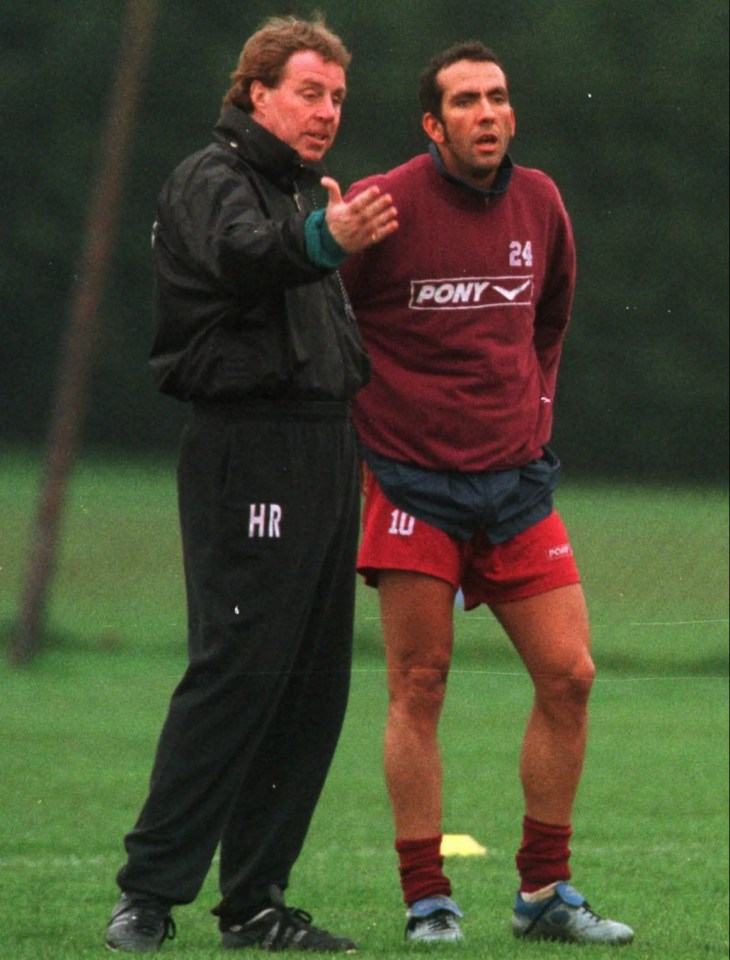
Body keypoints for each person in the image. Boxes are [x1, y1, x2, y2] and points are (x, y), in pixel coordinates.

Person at [104, 15, 398, 954]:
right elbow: (245, 257)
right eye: (309, 92)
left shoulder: (308, 192)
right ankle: (148, 895)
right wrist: (324, 238)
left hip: (324, 448)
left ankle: (258, 902)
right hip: (250, 448)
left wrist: (326, 231)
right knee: (238, 670)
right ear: (255, 92)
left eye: (338, 99)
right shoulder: (212, 179)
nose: (326, 113)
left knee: (312, 689)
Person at [339, 42, 634, 947]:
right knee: (419, 684)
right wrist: (371, 423)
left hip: (516, 484)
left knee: (571, 677)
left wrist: (536, 408)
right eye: (466, 101)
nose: (488, 113)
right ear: (433, 124)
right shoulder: (381, 205)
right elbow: (326, 314)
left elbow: (552, 314)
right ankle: (428, 898)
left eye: (498, 97)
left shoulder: (541, 201)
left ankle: (545, 893)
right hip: (411, 481)